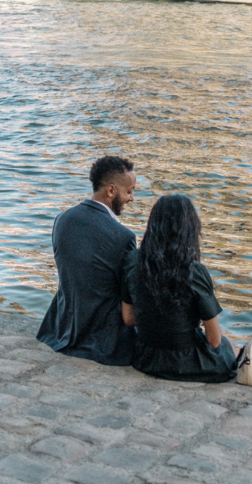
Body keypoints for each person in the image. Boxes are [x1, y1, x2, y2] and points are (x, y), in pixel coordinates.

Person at [122, 193, 237, 383]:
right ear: (189, 229)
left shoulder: (133, 260)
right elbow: (214, 340)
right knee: (228, 344)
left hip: (145, 358)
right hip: (187, 363)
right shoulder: (194, 271)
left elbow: (128, 318)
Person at [36, 155, 138, 366]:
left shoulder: (62, 219)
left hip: (60, 330)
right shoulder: (123, 236)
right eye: (129, 191)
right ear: (110, 191)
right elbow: (128, 292)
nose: (132, 198)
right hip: (105, 342)